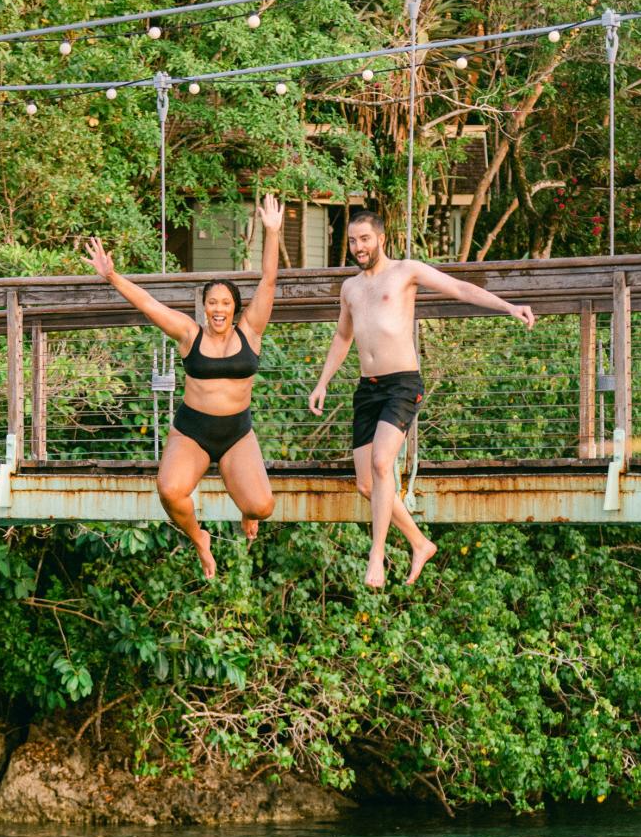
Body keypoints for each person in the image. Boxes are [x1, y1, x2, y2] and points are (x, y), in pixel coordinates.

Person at [308, 208, 535, 589]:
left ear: (381, 238)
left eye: (364, 239)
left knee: (383, 465)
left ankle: (376, 557)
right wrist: (322, 382)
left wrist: (509, 307)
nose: (358, 247)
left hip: (401, 384)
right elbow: (343, 338)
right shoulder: (351, 288)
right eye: (352, 240)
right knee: (366, 484)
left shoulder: (405, 272)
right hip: (368, 389)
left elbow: (461, 288)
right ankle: (419, 542)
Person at [85, 194, 283, 578]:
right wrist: (111, 276)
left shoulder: (252, 332)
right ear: (204, 307)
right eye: (212, 302)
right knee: (170, 491)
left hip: (236, 435)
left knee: (262, 507)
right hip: (192, 432)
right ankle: (200, 541)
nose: (219, 308)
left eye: (225, 302)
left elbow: (270, 280)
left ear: (235, 308)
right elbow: (147, 304)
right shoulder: (189, 333)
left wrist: (272, 233)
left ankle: (246, 509)